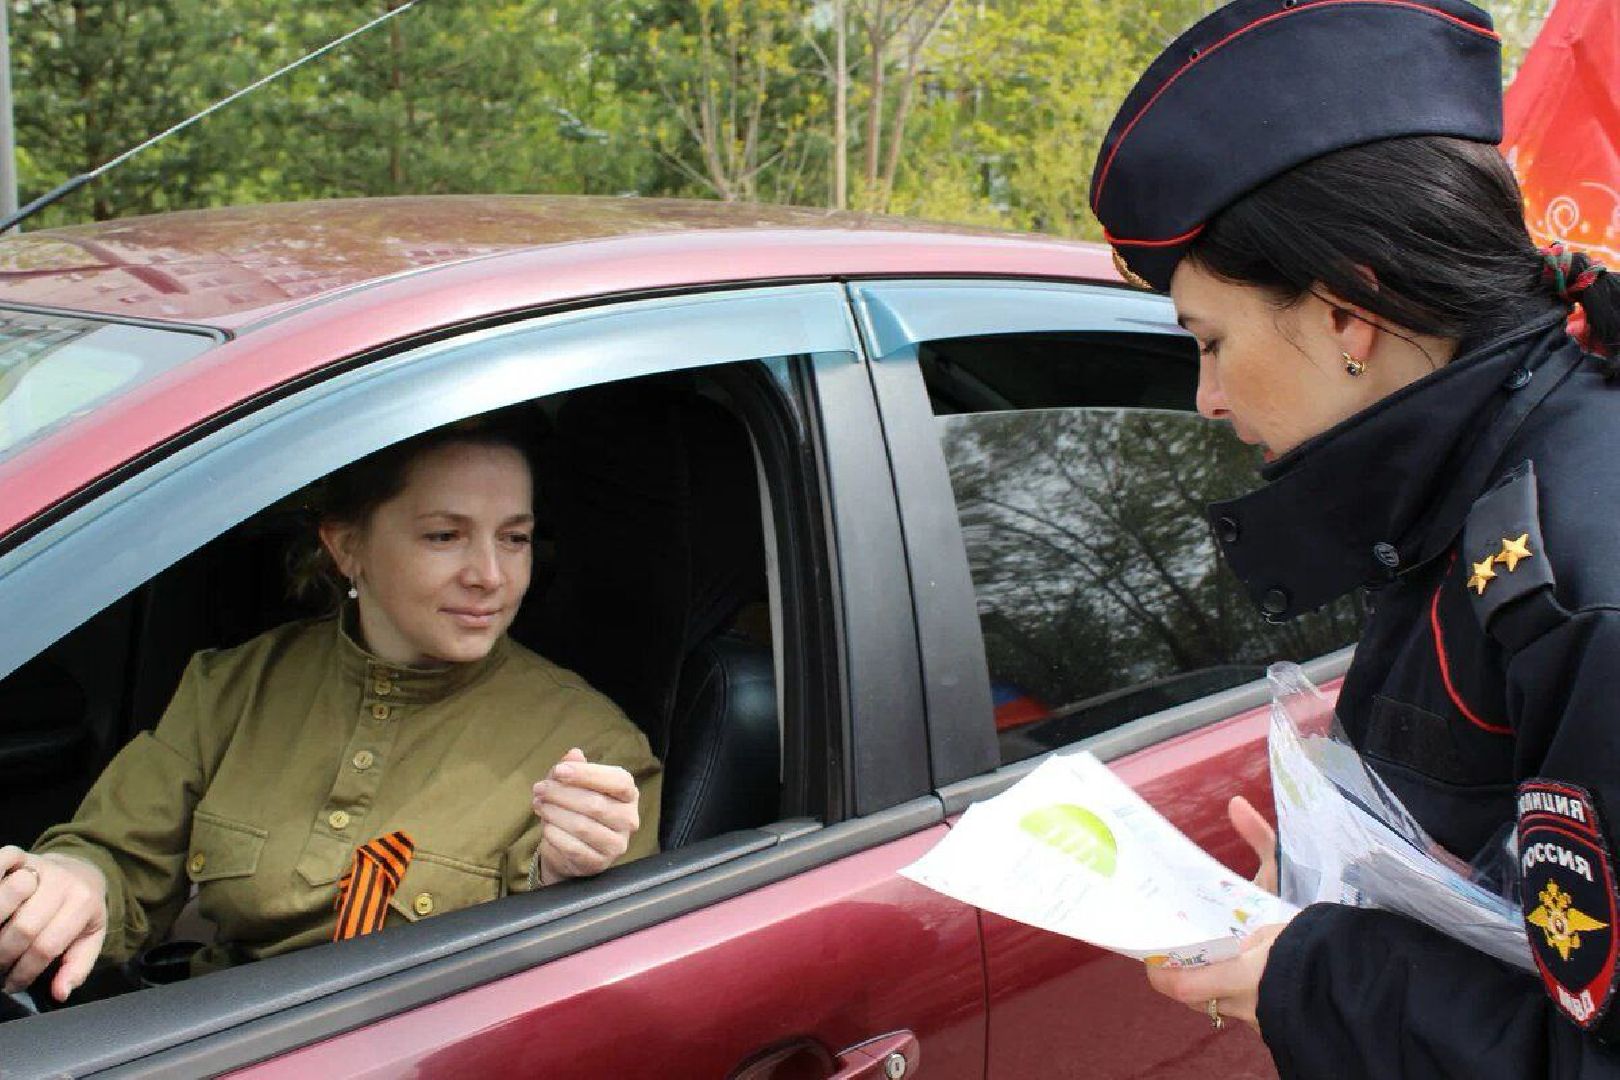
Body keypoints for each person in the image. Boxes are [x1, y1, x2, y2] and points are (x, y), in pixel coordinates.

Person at [1089, 0, 1620, 1075]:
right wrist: (1358, 877)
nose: (1206, 397)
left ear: (1348, 312)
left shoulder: (1579, 581)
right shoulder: (1480, 472)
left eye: (1211, 340)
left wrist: (1314, 972)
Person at [0, 418, 662, 1005]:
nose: (490, 574)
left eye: (514, 539)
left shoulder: (594, 751)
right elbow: (117, 859)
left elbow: (596, 996)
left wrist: (560, 877)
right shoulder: (233, 687)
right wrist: (70, 884)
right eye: (443, 535)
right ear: (348, 547)